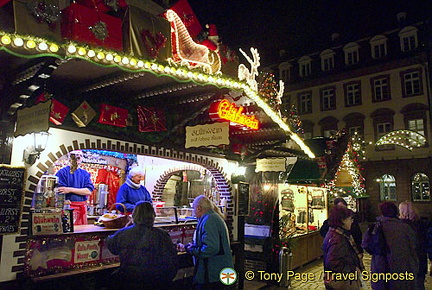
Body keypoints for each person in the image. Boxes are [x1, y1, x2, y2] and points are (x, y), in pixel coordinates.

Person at [106, 201, 178, 289]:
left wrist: (125, 229)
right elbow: (171, 262)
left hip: (127, 280)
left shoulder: (124, 233)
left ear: (133, 215)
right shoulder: (162, 235)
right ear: (153, 216)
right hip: (153, 282)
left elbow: (111, 246)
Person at [364, 201, 419, 290]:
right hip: (403, 267)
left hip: (381, 267)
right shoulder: (405, 228)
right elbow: (413, 244)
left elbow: (366, 245)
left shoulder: (375, 227)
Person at [186, 195, 233, 289]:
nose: (193, 212)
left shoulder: (209, 220)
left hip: (212, 274)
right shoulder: (212, 217)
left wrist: (192, 250)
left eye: (194, 209)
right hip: (217, 272)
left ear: (199, 208)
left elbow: (211, 248)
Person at [322, 206, 364, 289]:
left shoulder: (337, 233)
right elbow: (332, 262)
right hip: (343, 281)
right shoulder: (338, 238)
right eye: (350, 219)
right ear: (342, 220)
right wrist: (352, 270)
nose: (352, 221)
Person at [56, 151, 94, 225]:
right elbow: (60, 190)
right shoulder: (62, 172)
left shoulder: (85, 174)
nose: (78, 157)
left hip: (82, 209)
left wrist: (69, 189)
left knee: (82, 233)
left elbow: (88, 191)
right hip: (67, 209)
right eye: (76, 155)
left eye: (80, 155)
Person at [399, 201, 428, 290]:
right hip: (420, 259)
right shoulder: (423, 225)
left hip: (405, 261)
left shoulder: (400, 227)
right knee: (419, 283)